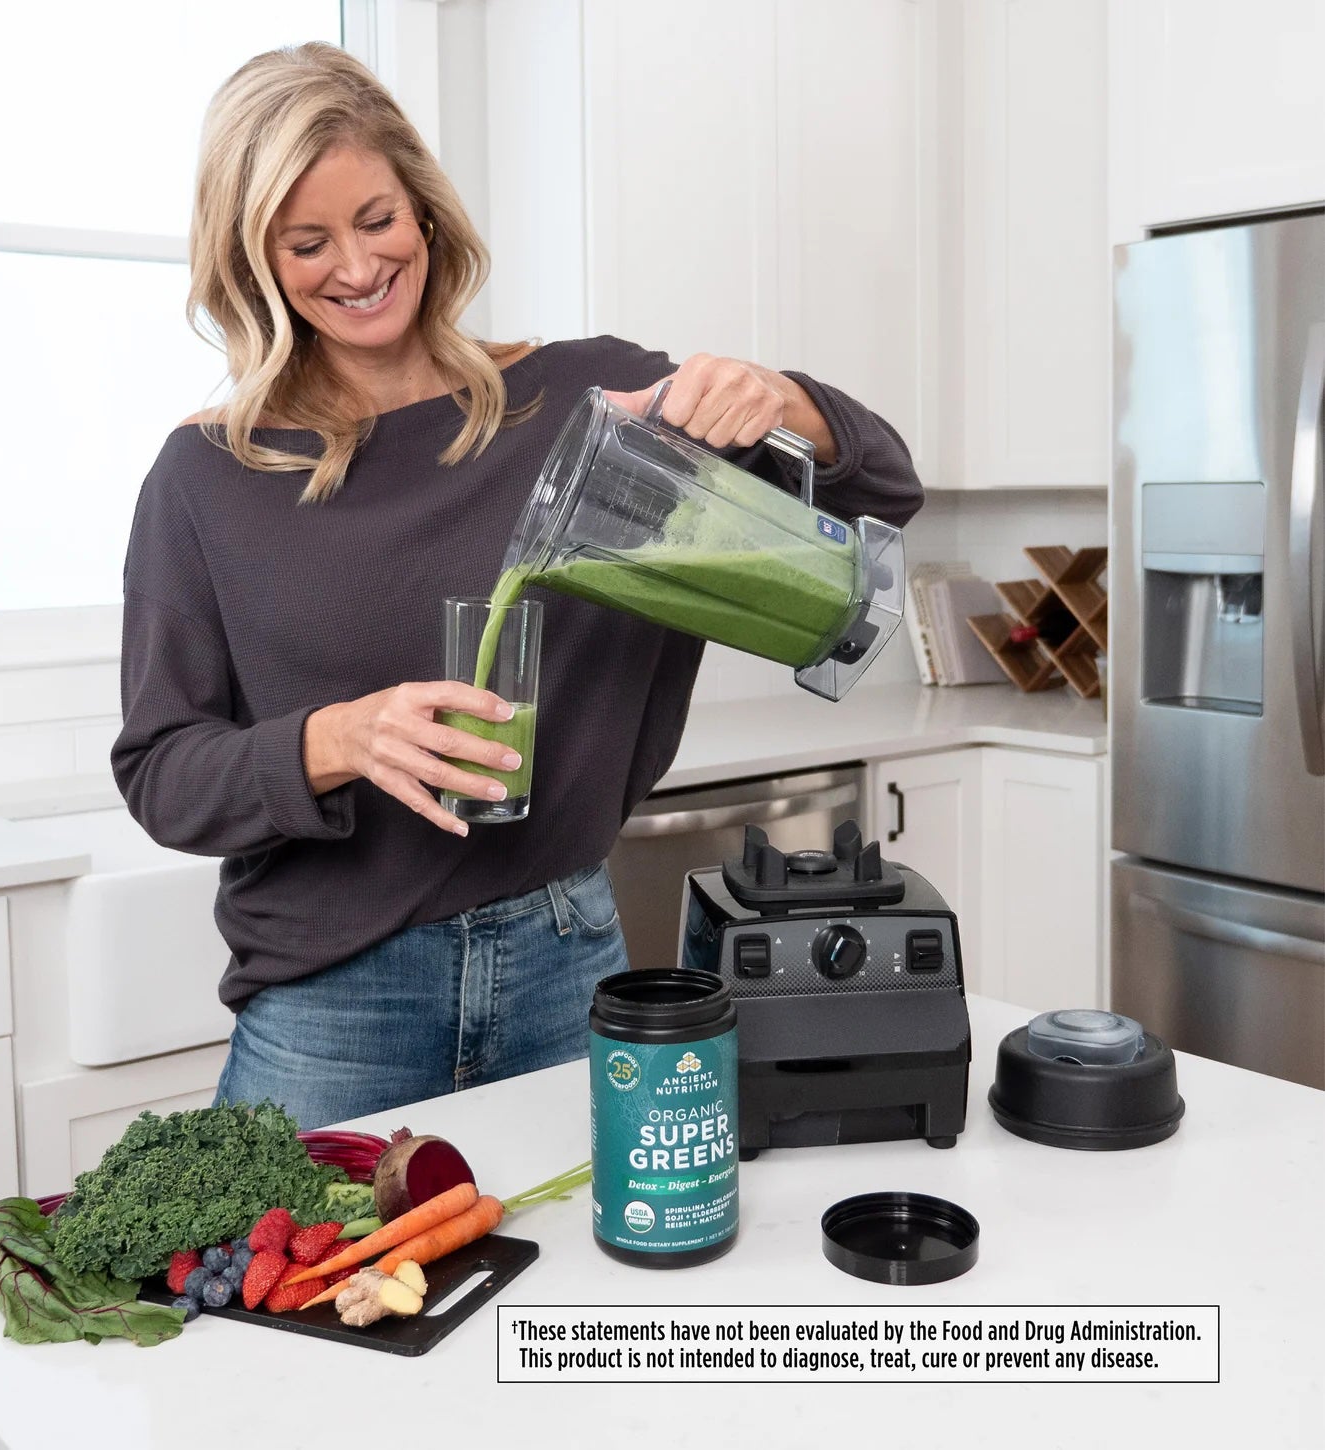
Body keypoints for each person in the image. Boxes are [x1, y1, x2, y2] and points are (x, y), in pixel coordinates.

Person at [113, 42, 924, 1132]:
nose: (356, 265)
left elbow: (887, 489)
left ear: (424, 211)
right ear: (251, 259)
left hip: (567, 959)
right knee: (289, 1254)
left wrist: (784, 400)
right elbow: (162, 774)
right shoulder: (213, 476)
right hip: (332, 1007)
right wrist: (341, 739)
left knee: (592, 1248)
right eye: (307, 243)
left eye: (377, 220)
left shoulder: (595, 404)